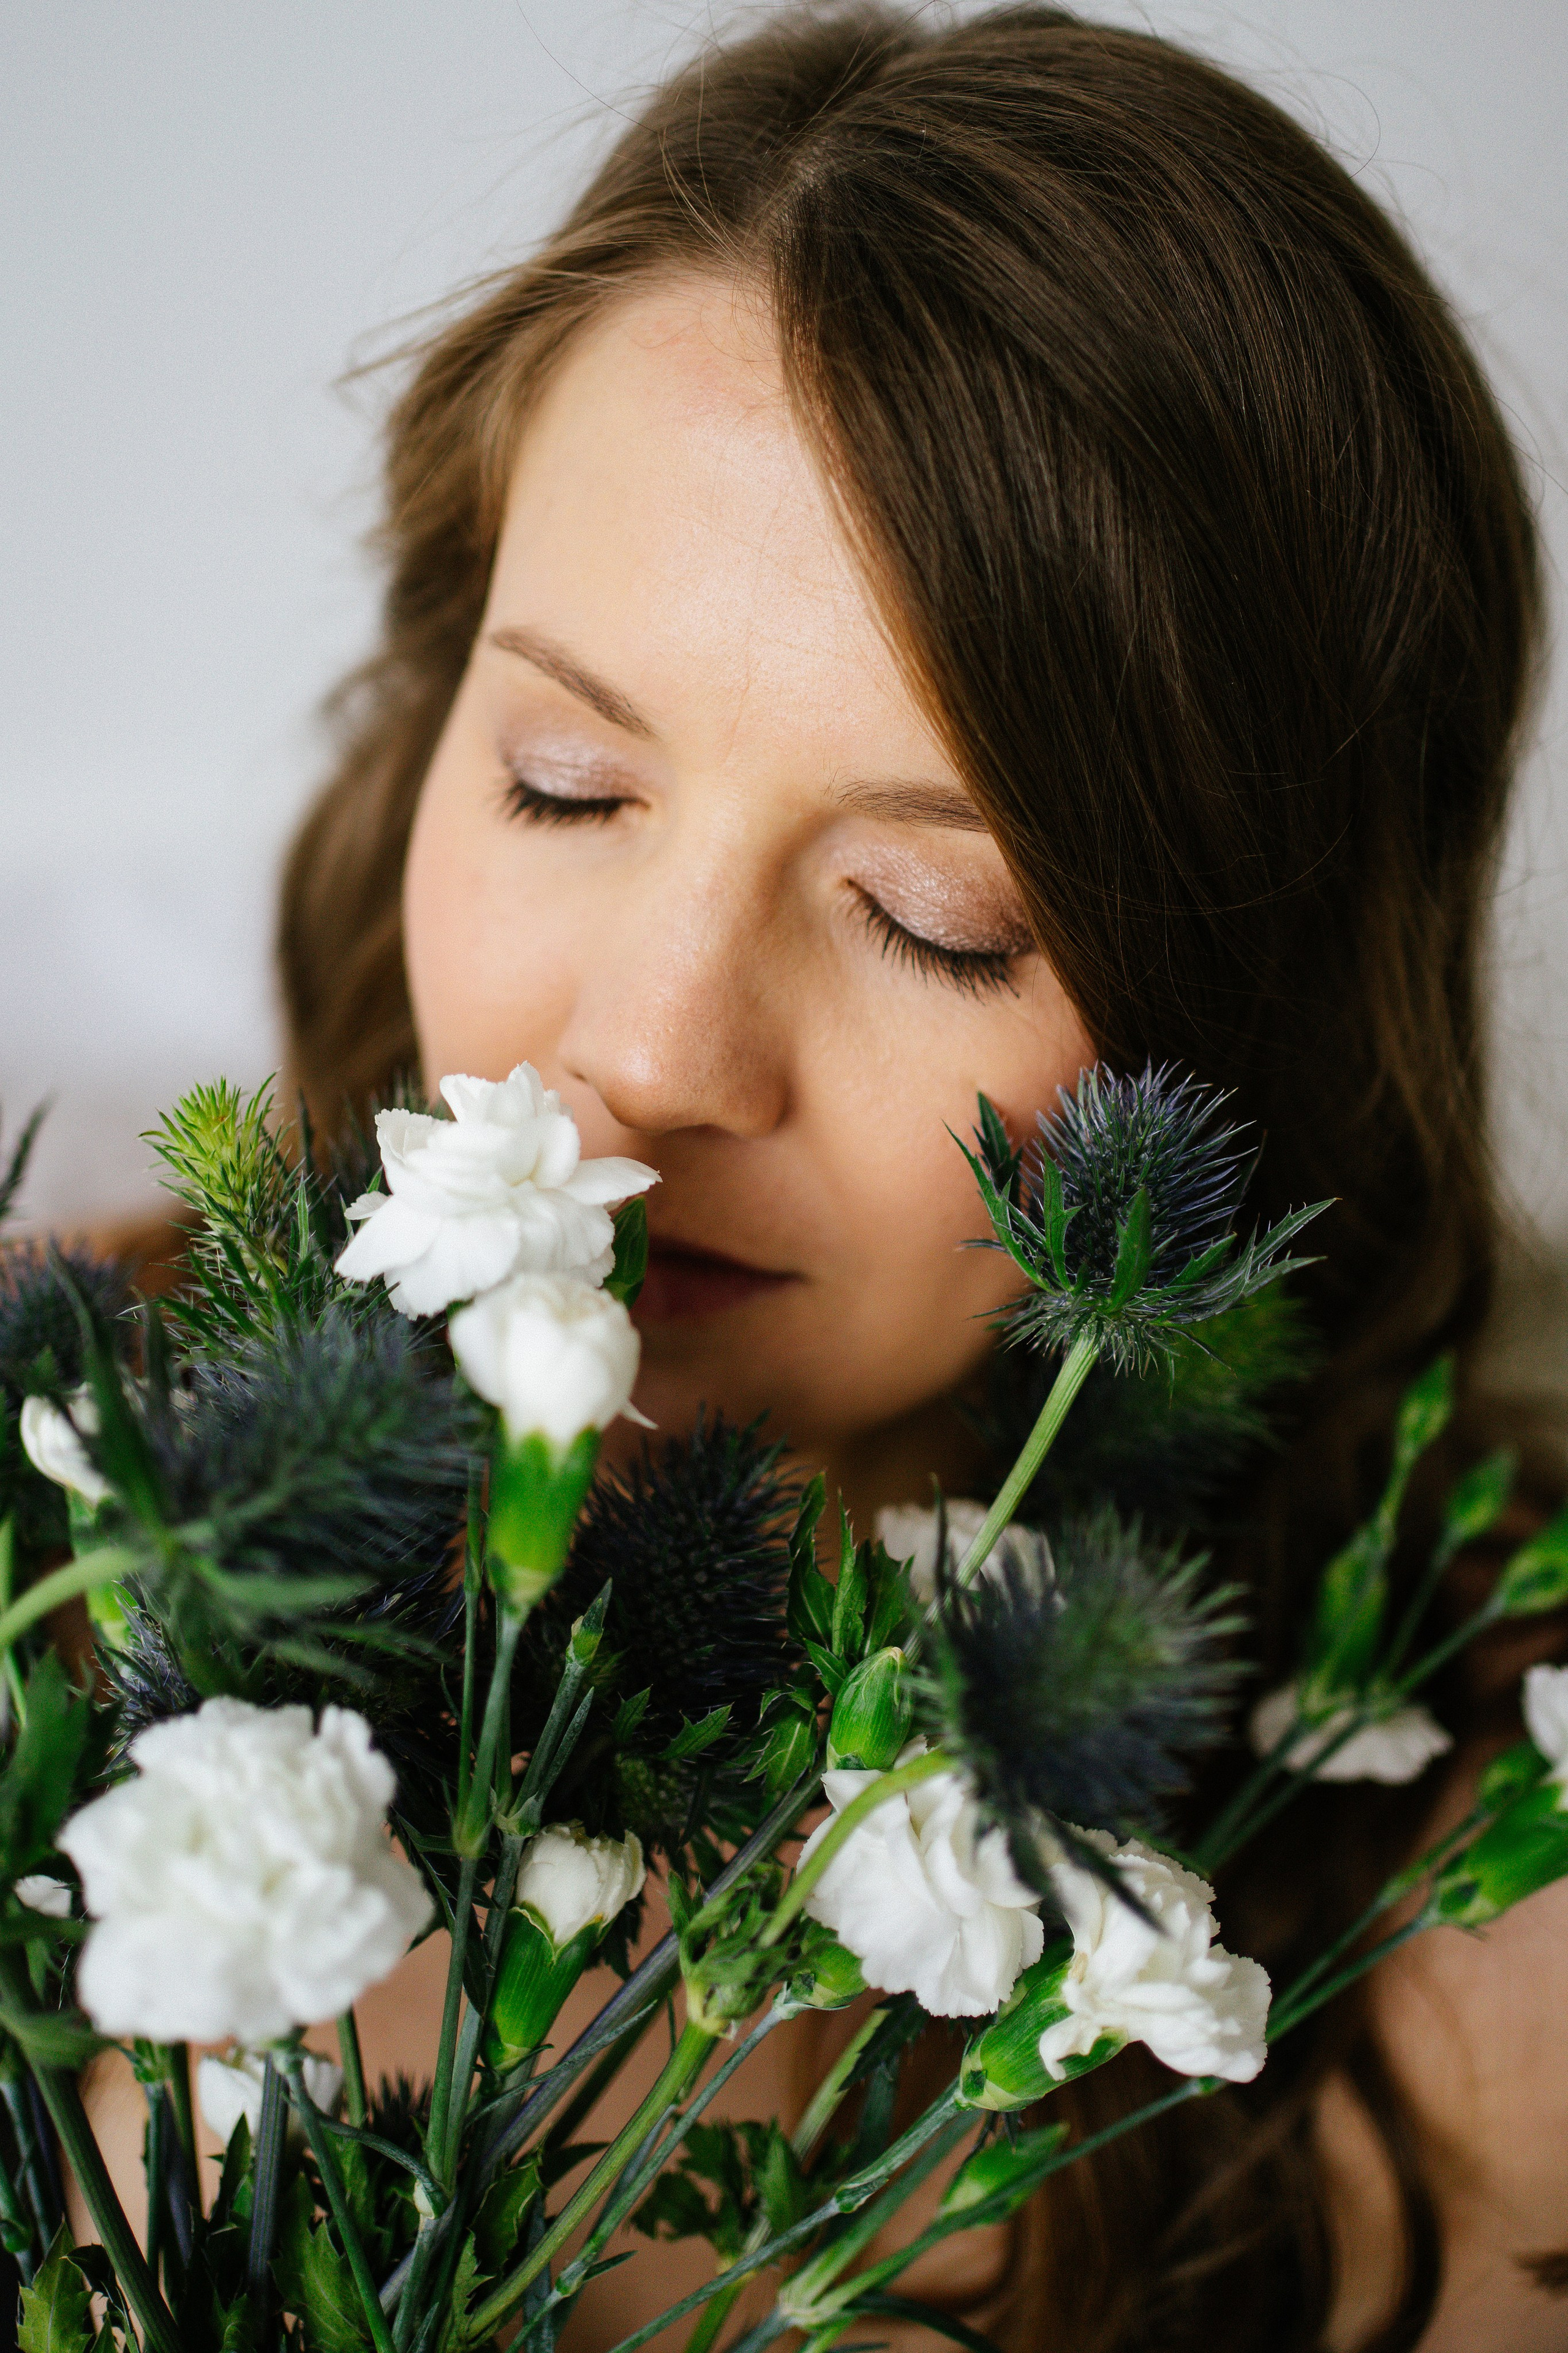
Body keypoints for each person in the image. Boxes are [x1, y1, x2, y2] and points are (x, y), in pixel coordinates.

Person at [91, 7, 1568, 2346]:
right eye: (569, 782)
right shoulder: (62, 1511)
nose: (656, 1054)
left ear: (1259, 1022)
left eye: (932, 919)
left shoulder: (1485, 1986)